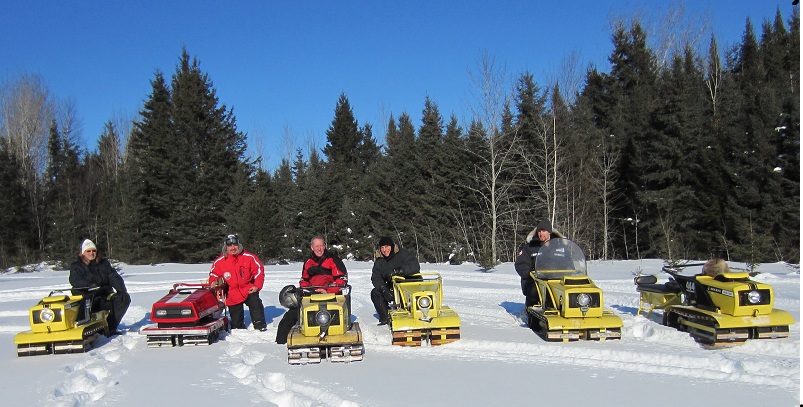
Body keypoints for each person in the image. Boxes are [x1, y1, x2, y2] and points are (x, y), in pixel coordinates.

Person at [275, 236, 348, 344]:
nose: (319, 249)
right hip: (312, 294)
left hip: (331, 295)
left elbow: (342, 279)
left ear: (325, 246)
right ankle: (280, 342)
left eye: (321, 246)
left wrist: (328, 291)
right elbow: (304, 279)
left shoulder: (333, 260)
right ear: (312, 247)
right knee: (292, 315)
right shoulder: (308, 262)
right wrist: (306, 290)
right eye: (316, 246)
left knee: (332, 315)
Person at [69, 239, 131, 336]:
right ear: (82, 253)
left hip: (103, 295)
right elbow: (75, 280)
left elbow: (114, 277)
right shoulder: (77, 266)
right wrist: (89, 284)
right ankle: (84, 328)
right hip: (86, 296)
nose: (91, 253)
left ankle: (110, 328)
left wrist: (122, 290)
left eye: (93, 251)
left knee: (123, 299)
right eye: (88, 251)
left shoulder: (104, 264)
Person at [208, 234, 267, 331]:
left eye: (234, 245)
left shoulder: (249, 257)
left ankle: (260, 325)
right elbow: (214, 274)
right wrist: (214, 282)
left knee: (255, 302)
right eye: (230, 245)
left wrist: (257, 286)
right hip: (232, 293)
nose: (232, 248)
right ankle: (238, 326)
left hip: (248, 288)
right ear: (226, 247)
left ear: (238, 245)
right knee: (236, 326)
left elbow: (259, 271)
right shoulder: (220, 261)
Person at [370, 236, 420, 325]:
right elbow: (376, 278)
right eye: (382, 247)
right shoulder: (379, 261)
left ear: (392, 246)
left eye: (387, 246)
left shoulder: (403, 254)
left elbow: (415, 266)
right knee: (375, 293)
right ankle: (385, 318)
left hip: (411, 285)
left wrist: (398, 271)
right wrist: (384, 289)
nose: (385, 250)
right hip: (394, 288)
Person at [514, 220, 564, 307]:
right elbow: (521, 263)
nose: (541, 234)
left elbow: (568, 262)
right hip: (536, 280)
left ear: (549, 232)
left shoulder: (560, 246)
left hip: (556, 279)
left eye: (543, 231)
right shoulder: (530, 247)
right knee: (533, 291)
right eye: (539, 231)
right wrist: (530, 272)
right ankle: (531, 312)